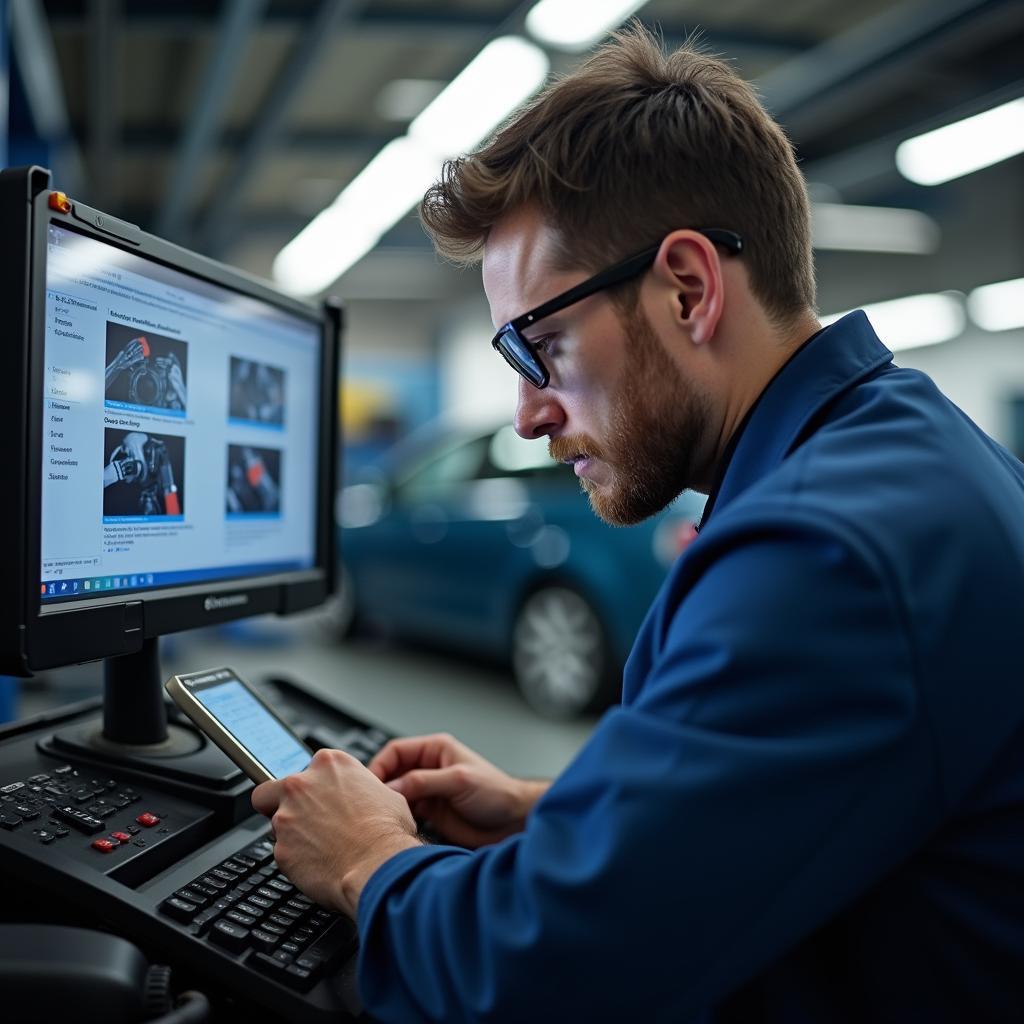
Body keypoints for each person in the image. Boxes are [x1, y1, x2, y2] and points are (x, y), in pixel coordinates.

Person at [252, 25, 1024, 1023]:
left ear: (687, 288)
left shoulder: (826, 553)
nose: (528, 412)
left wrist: (369, 859)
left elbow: (541, 979)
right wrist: (552, 817)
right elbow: (818, 820)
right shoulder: (889, 449)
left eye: (542, 346)